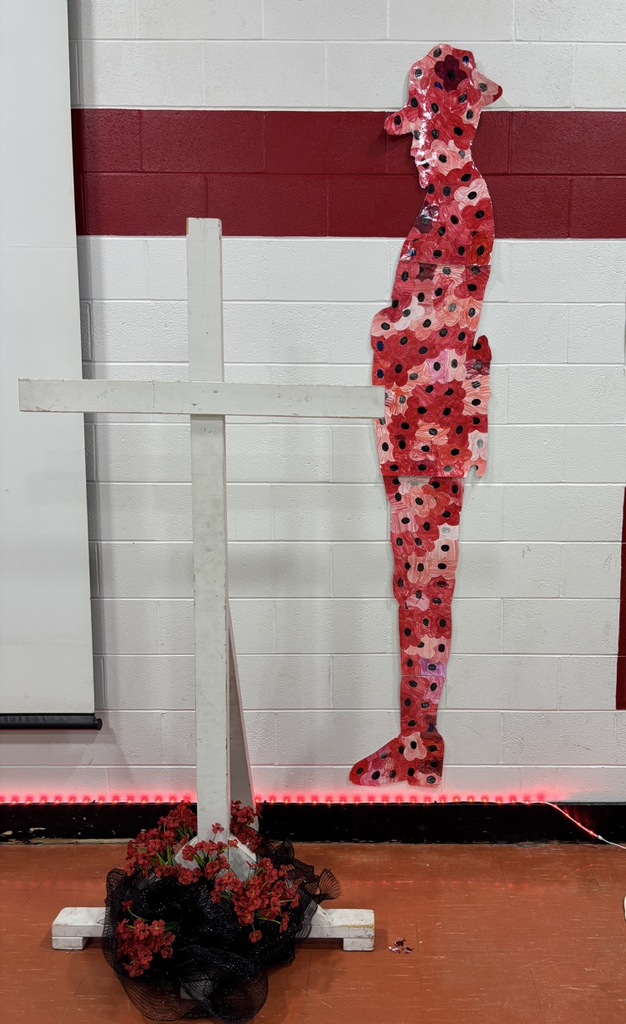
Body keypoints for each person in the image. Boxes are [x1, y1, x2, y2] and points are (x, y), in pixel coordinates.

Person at [350, 45, 502, 788]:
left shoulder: (466, 204)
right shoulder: (443, 207)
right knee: (412, 583)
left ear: (455, 127)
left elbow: (440, 324)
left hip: (433, 432)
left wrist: (388, 331)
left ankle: (419, 743)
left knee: (425, 585)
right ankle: (416, 739)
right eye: (412, 136)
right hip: (418, 424)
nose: (415, 149)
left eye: (424, 133)